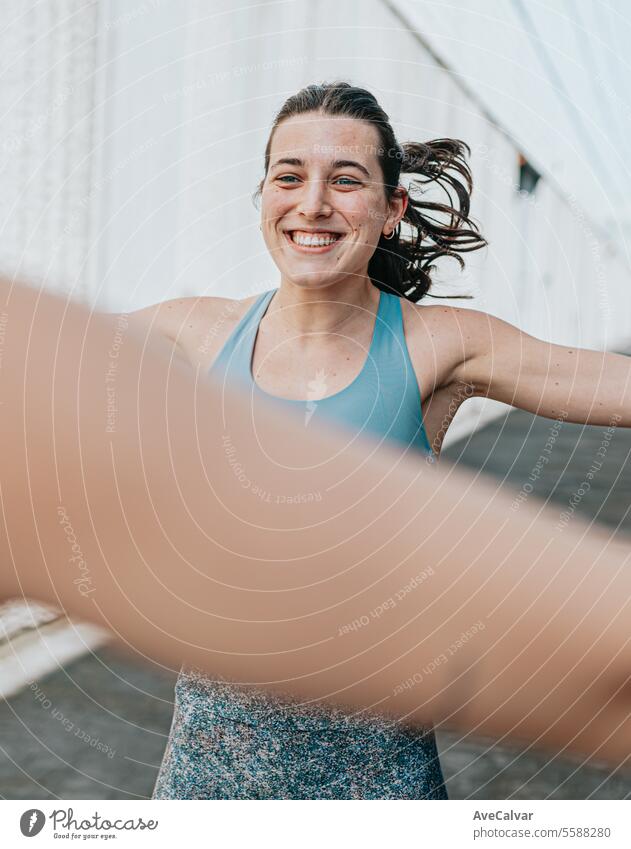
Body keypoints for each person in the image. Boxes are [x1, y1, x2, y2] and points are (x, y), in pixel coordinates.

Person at [109, 81, 629, 799]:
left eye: (345, 180)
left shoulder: (437, 346)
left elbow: (609, 385)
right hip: (206, 790)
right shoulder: (191, 333)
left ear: (390, 211)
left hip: (379, 790)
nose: (312, 203)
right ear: (262, 197)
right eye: (288, 176)